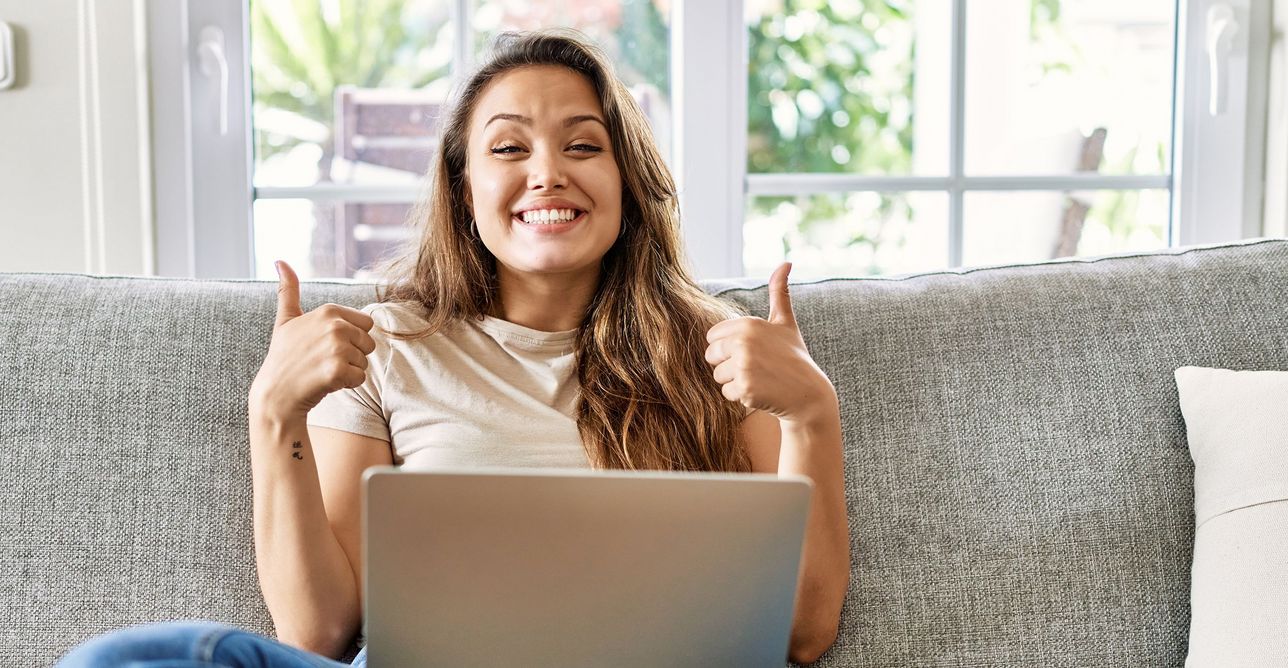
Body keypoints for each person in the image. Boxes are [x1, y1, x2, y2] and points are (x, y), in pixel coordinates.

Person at [57, 29, 849, 668]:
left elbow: (802, 637)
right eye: (508, 150)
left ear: (627, 181)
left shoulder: (717, 351)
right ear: (465, 189)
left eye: (583, 146)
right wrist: (275, 412)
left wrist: (812, 412)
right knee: (138, 659)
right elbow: (319, 634)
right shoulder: (385, 349)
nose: (547, 175)